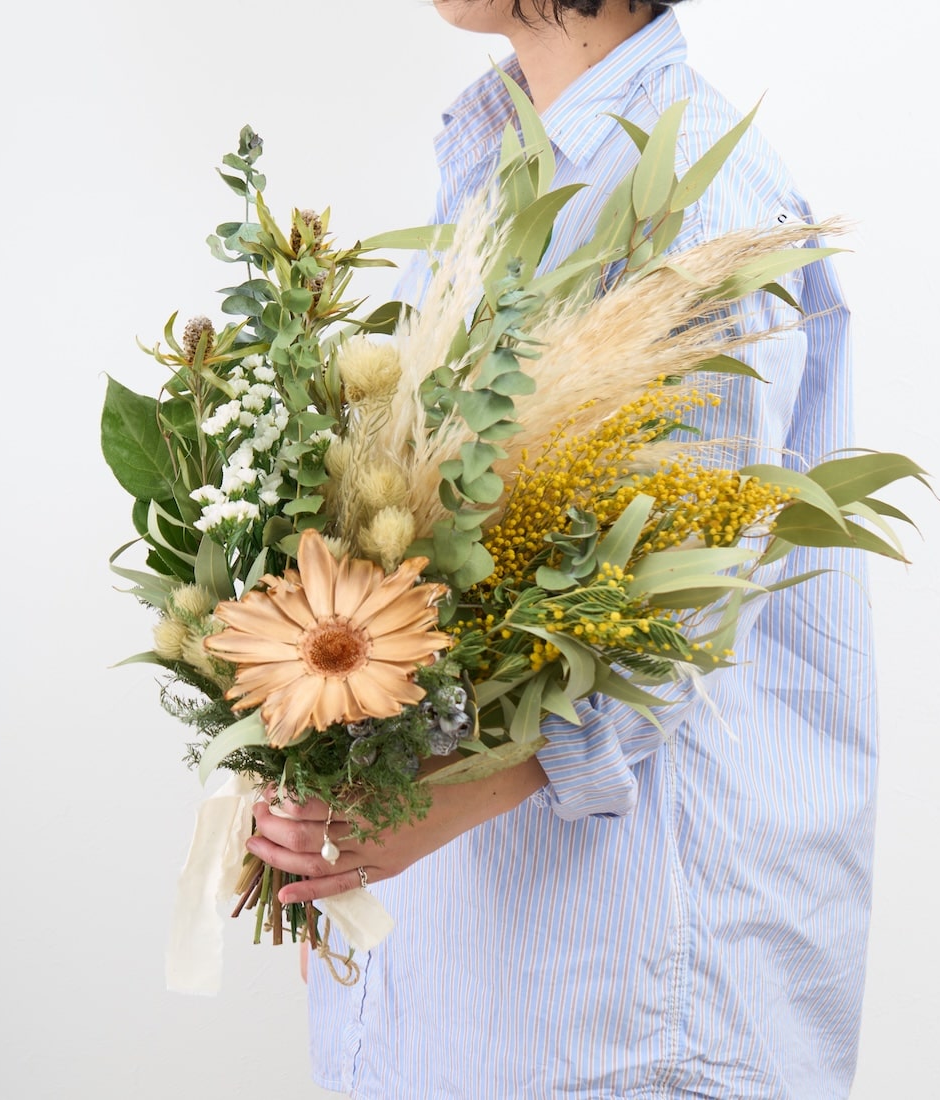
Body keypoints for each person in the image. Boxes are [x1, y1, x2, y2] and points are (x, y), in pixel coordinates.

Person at [246, 2, 877, 1096]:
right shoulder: (501, 156)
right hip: (468, 964)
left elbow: (673, 600)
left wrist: (430, 804)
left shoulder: (698, 196)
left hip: (619, 980)